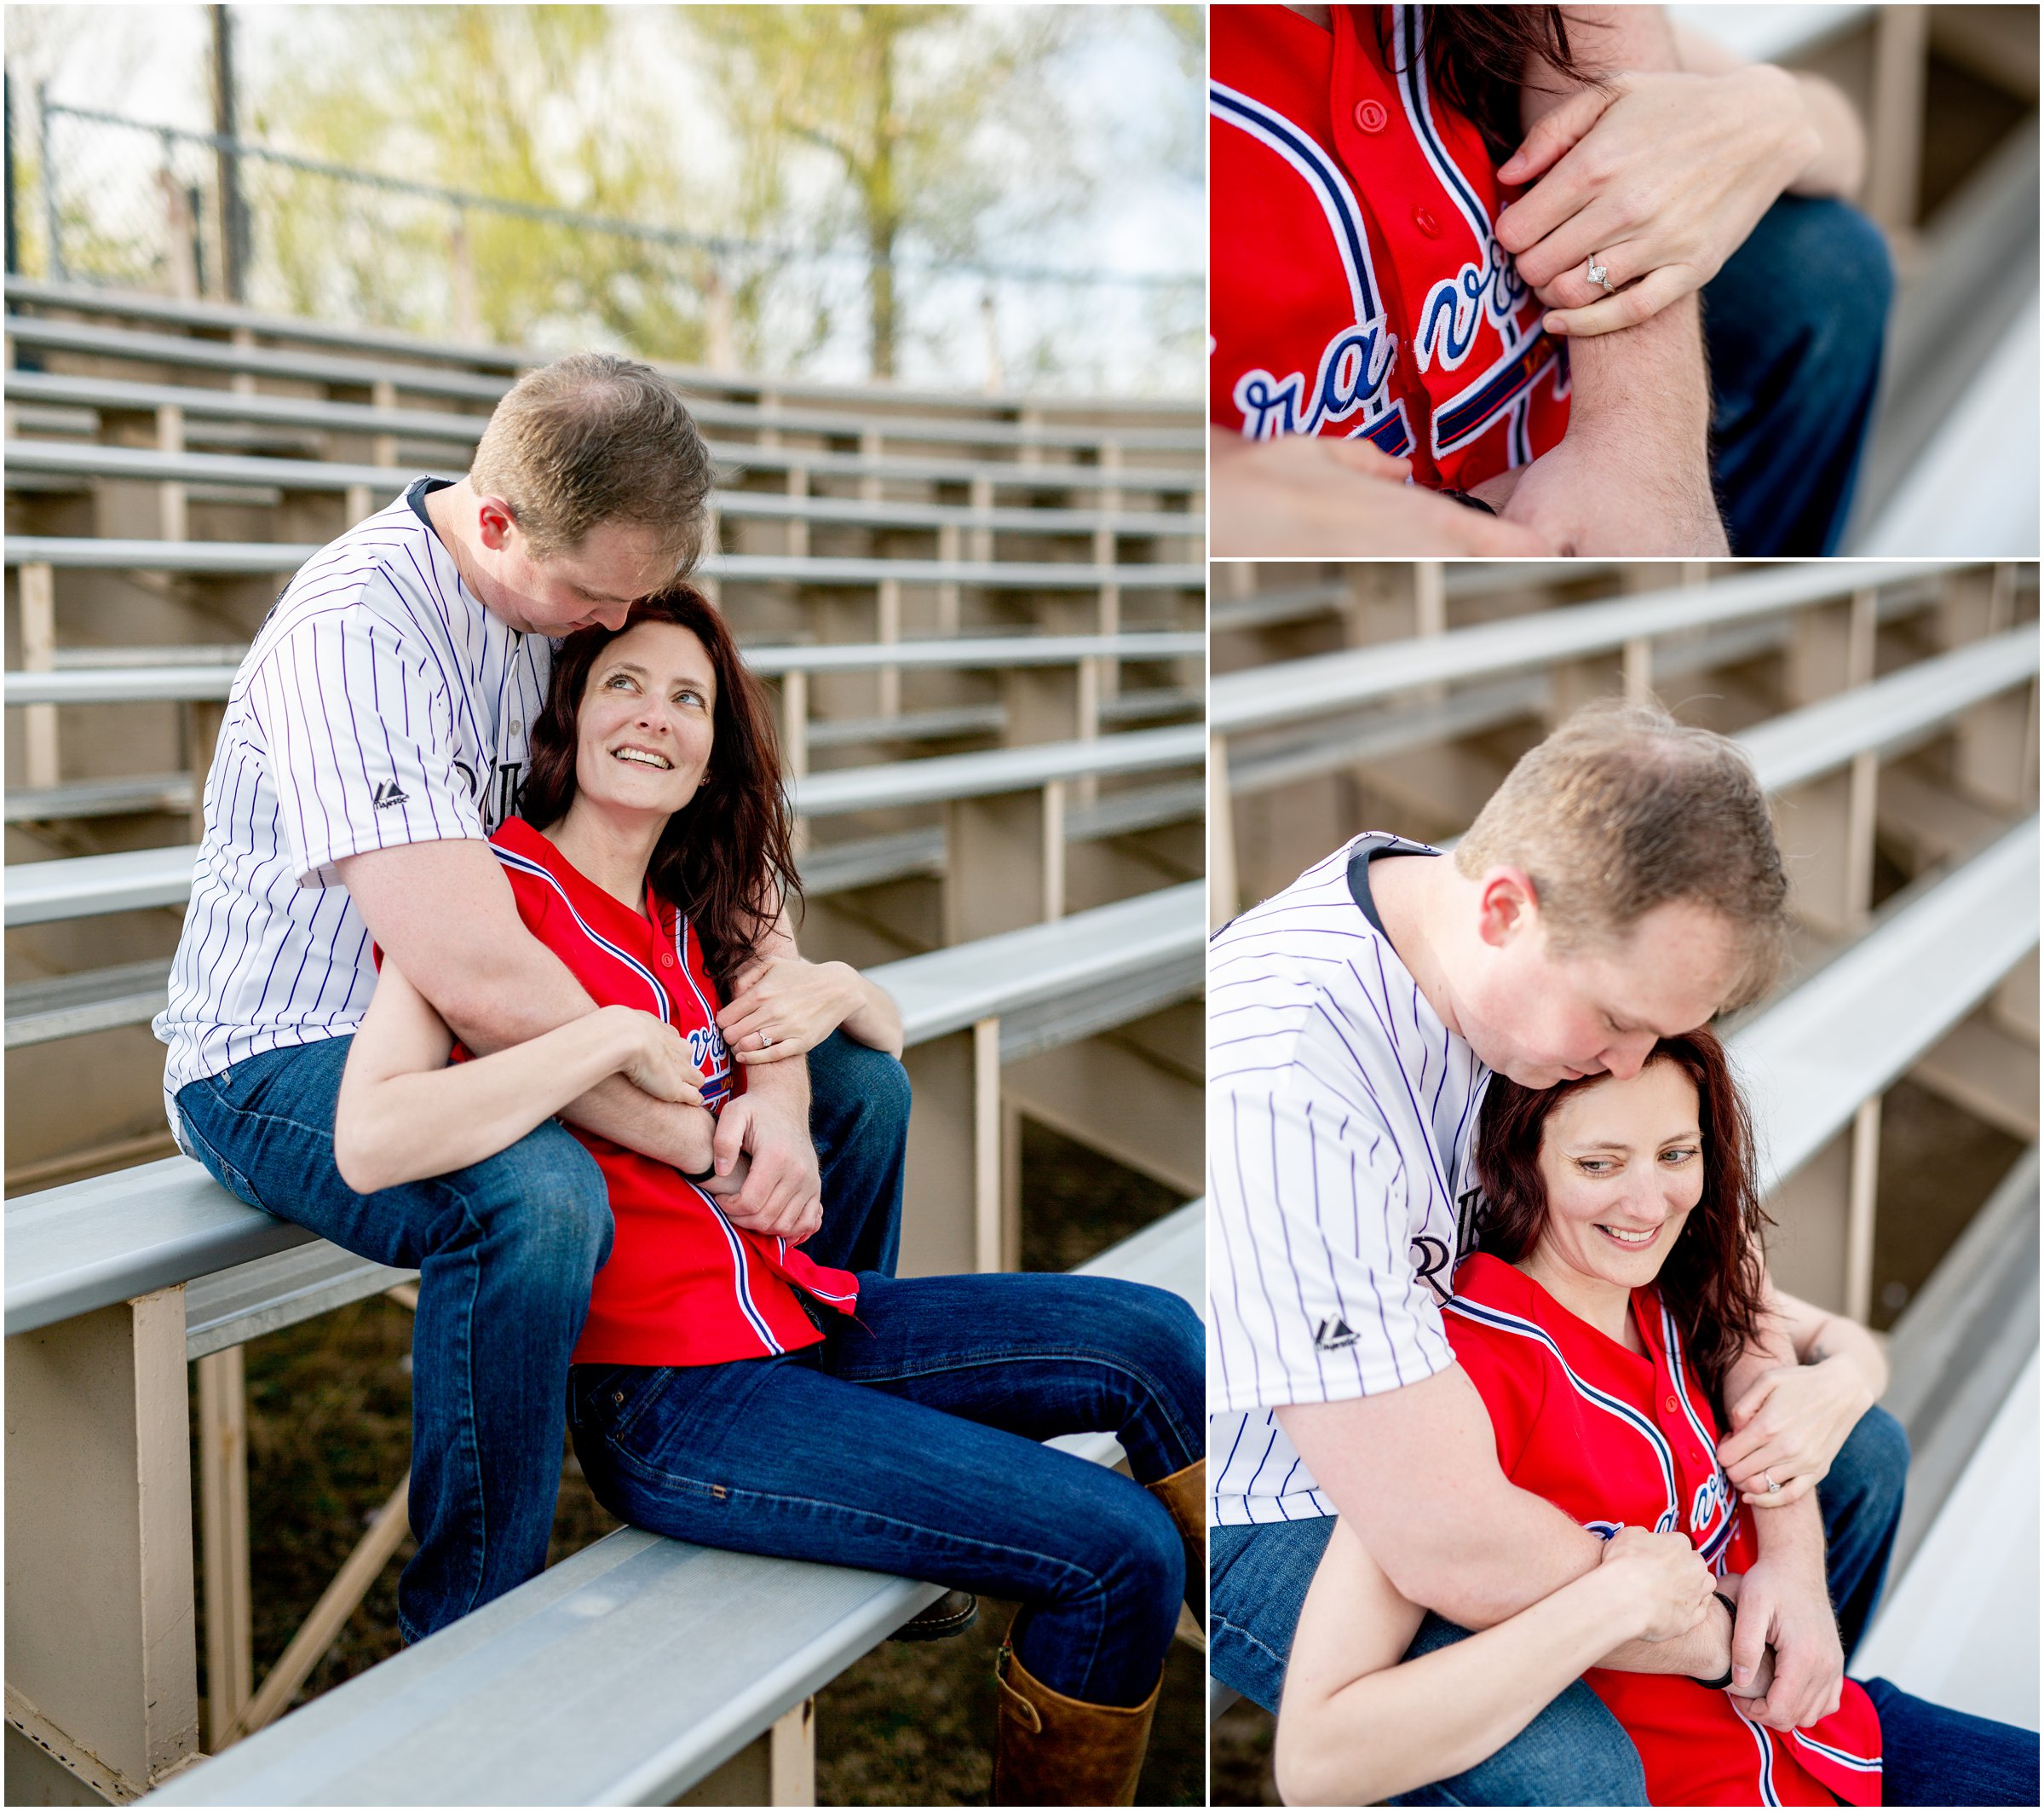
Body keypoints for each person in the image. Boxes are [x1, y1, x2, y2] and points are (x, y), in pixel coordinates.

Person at [329, 587, 1206, 1805]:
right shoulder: (492, 894)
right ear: (568, 716)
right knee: (1116, 1551)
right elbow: (372, 1134)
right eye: (623, 683)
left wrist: (826, 998)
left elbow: (869, 1033)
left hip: (799, 1319)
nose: (654, 716)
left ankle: (1297, 1655)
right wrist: (592, 1044)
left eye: (688, 699)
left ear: (711, 757)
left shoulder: (695, 915)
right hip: (672, 1402)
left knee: (1161, 1339)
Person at [156, 354, 910, 1646]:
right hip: (290, 1051)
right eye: (591, 597)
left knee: (856, 1089)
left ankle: (808, 1439)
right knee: (535, 1197)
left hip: (502, 1021)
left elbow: (718, 856)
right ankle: (468, 1627)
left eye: (630, 597)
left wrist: (774, 1097)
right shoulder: (359, 632)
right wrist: (697, 1136)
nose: (611, 628)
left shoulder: (572, 591)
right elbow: (476, 972)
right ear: (494, 521)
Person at [1207, 701, 1911, 1803]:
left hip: (1494, 1411)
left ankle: (1749, 1757)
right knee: (1574, 1773)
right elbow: (1440, 1534)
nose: (1629, 1062)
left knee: (1854, 1463)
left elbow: (1715, 1277)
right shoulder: (1284, 1075)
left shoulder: (1544, 964)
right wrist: (1715, 1630)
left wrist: (1790, 1558)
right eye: (1618, 1022)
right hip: (1286, 1495)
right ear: (1501, 908)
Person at [1275, 1033, 2041, 1806]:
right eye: (1598, 1164)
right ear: (1521, 1162)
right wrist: (1611, 1604)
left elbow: (1810, 1343)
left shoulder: (1673, 1279)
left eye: (1676, 1154)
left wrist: (1843, 1384)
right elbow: (1320, 1762)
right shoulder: (1459, 1377)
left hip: (1836, 1739)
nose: (1647, 1204)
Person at [1212, 4, 1890, 556]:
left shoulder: (1510, 23)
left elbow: (1842, 150)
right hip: (1431, 559)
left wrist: (1768, 110)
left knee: (1825, 261)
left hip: (1626, 490)